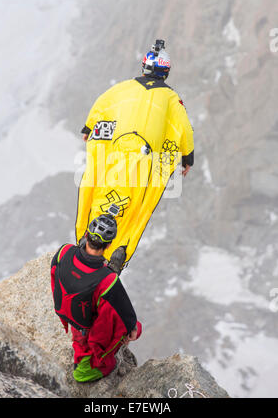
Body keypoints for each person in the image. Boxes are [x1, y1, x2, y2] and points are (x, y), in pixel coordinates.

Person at [76, 39, 194, 274]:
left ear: (143, 67)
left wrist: (88, 128)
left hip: (114, 155)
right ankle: (118, 250)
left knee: (101, 194)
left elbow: (101, 105)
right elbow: (184, 128)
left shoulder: (121, 88)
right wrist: (187, 157)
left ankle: (87, 243)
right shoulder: (172, 99)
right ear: (166, 71)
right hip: (145, 161)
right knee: (135, 208)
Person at [51, 212, 142, 383]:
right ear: (109, 246)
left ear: (86, 235)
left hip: (65, 310)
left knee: (103, 298)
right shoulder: (108, 280)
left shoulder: (64, 251)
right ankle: (89, 366)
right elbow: (125, 319)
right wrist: (111, 272)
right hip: (86, 326)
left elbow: (55, 277)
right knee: (134, 325)